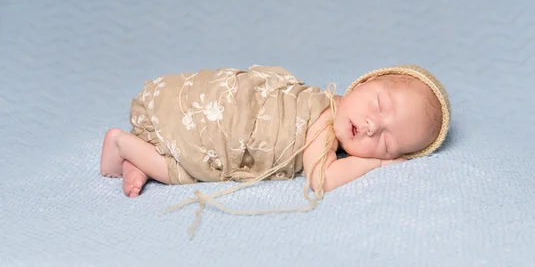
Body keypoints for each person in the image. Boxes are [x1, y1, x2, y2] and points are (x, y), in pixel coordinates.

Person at [100, 64, 451, 234]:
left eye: (386, 143)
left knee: (175, 142)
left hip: (202, 103)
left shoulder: (320, 98)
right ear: (364, 81)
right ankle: (122, 144)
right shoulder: (325, 123)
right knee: (181, 171)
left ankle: (141, 153)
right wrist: (377, 165)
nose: (373, 125)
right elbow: (321, 180)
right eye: (378, 104)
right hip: (224, 124)